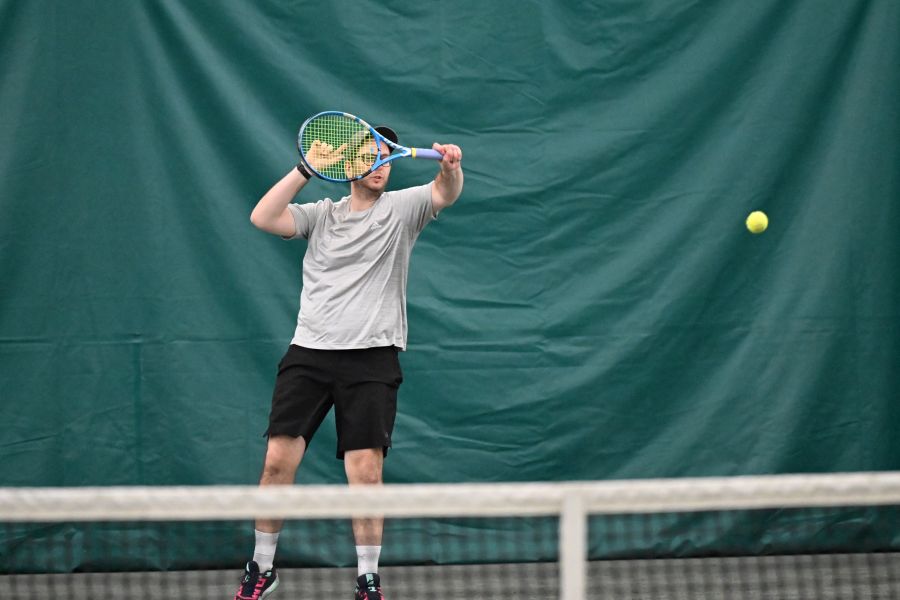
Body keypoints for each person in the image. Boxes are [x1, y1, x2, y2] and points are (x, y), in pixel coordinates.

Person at [233, 124, 463, 600]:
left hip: (372, 359)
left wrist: (450, 167)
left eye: (385, 155)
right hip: (309, 354)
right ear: (347, 165)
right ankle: (262, 567)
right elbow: (262, 217)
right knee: (276, 462)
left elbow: (445, 191)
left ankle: (367, 579)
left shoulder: (403, 209)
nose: (380, 163)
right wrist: (305, 169)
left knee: (366, 474)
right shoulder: (321, 214)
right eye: (369, 155)